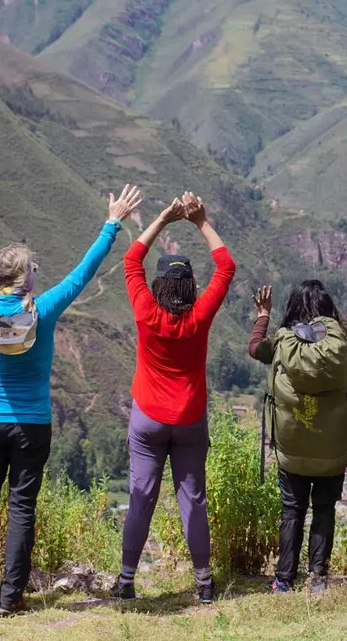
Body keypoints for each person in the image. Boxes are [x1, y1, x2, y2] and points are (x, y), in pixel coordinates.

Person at [0, 185, 142, 615]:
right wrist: (112, 224)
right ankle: (10, 597)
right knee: (21, 509)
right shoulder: (44, 310)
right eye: (33, 268)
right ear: (26, 278)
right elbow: (82, 273)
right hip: (32, 426)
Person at [247, 237, 347, 594]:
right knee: (324, 509)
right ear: (326, 307)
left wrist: (263, 315)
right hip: (332, 451)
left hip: (292, 449)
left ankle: (283, 580)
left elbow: (254, 349)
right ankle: (318, 579)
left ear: (293, 307)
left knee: (292, 509)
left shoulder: (281, 341)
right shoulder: (342, 336)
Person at [112, 192, 236, 605]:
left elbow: (131, 261)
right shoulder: (199, 318)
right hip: (189, 420)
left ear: (158, 284)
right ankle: (203, 583)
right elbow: (226, 266)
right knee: (192, 498)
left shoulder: (147, 313)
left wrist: (164, 219)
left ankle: (127, 580)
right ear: (190, 286)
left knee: (141, 495)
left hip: (147, 418)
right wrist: (201, 221)